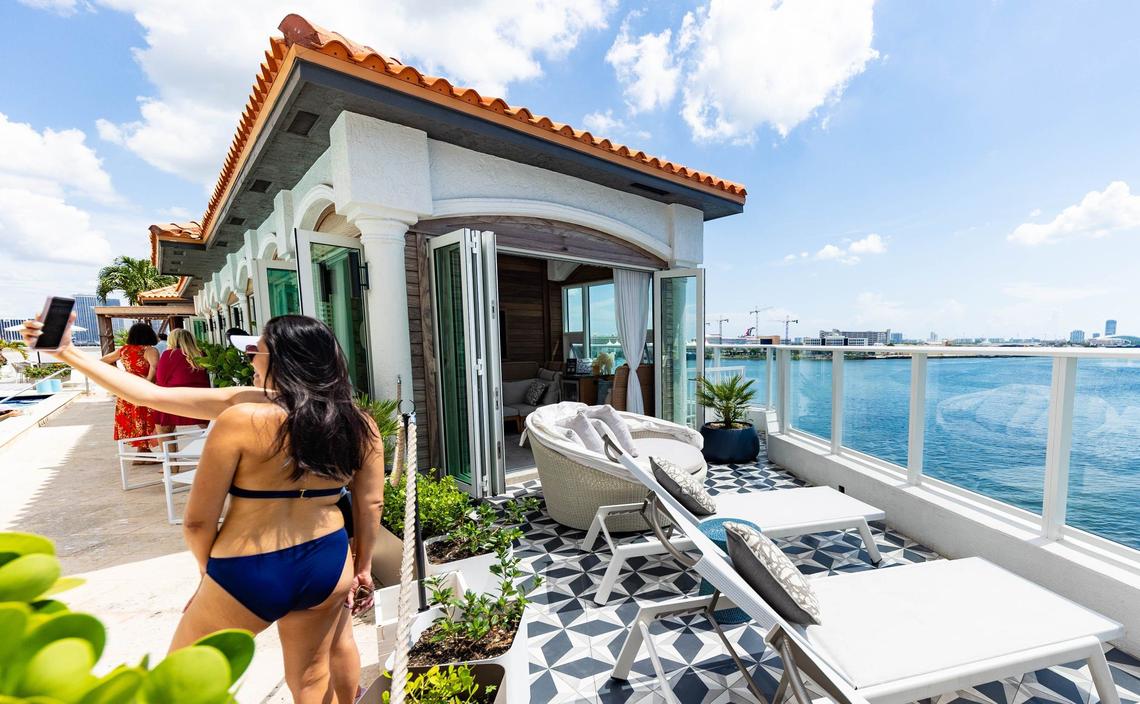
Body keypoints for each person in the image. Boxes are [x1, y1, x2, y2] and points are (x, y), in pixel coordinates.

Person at [23, 313, 380, 703]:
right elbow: (370, 502)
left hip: (248, 564)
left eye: (254, 352)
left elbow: (196, 520)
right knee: (311, 680)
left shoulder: (241, 417)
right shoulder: (358, 423)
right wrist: (362, 568)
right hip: (326, 562)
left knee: (181, 682)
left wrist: (208, 573)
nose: (251, 360)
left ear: (280, 359)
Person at [104, 322, 160, 455]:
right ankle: (142, 452)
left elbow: (102, 361)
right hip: (144, 388)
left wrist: (119, 374)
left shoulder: (123, 350)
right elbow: (155, 366)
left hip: (128, 388)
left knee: (135, 419)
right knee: (147, 417)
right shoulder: (150, 350)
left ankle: (143, 451)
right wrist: (148, 381)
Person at [153, 329, 210, 447]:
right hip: (200, 401)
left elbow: (161, 380)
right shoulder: (201, 354)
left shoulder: (168, 355)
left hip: (175, 400)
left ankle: (172, 464)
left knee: (163, 428)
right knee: (210, 427)